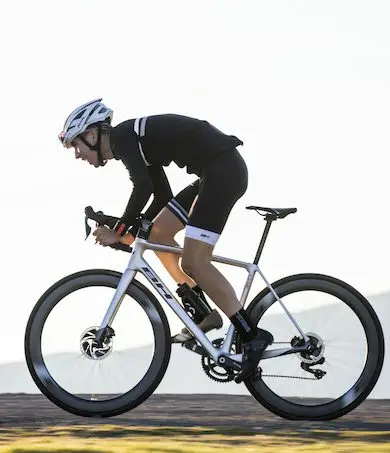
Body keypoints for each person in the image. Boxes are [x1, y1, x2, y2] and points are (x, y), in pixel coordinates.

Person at [58, 98, 272, 383]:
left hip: (223, 172)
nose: (77, 155)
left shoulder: (122, 136)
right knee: (157, 234)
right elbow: (161, 197)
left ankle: (251, 334)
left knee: (194, 262)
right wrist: (128, 232)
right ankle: (203, 311)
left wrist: (119, 229)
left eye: (76, 145)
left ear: (92, 135)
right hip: (214, 172)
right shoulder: (133, 142)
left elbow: (142, 188)